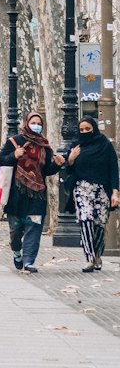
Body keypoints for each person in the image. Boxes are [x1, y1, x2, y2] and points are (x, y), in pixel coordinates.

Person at [0, 110, 64, 274]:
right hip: (16, 195)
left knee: (33, 227)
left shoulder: (44, 146)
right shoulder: (15, 141)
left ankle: (29, 261)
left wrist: (58, 165)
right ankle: (17, 252)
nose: (37, 126)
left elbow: (46, 170)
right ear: (26, 123)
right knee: (16, 231)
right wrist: (14, 155)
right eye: (34, 123)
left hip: (37, 196)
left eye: (40, 124)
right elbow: (0, 160)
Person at [64, 116, 120, 272]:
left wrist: (115, 191)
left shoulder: (105, 145)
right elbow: (68, 169)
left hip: (102, 190)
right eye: (81, 130)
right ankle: (89, 257)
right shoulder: (76, 145)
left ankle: (97, 254)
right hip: (82, 189)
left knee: (99, 224)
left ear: (94, 128)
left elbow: (113, 169)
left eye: (87, 129)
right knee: (86, 220)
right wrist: (71, 159)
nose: (84, 132)